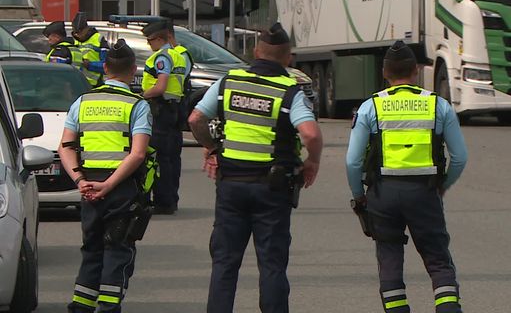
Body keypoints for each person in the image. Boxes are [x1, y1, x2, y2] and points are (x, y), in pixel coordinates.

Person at [188, 22, 323, 313]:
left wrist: (212, 148)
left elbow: (195, 119)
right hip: (271, 188)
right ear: (288, 58)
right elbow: (310, 133)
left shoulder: (229, 81)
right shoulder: (290, 91)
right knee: (272, 263)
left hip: (230, 185)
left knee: (225, 262)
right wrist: (312, 161)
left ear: (255, 52)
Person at [345, 41, 468, 313]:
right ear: (415, 71)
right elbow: (459, 157)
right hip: (425, 192)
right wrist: (442, 186)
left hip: (382, 194)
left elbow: (353, 161)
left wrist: (359, 196)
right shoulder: (439, 105)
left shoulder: (370, 107)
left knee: (389, 259)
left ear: (384, 73)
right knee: (438, 261)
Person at [58, 40, 153, 313]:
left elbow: (65, 147)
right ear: (133, 69)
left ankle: (81, 307)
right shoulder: (137, 105)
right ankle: (109, 308)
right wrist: (109, 185)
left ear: (106, 68)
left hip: (88, 187)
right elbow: (137, 155)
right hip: (120, 188)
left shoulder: (82, 102)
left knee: (92, 249)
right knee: (118, 250)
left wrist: (79, 180)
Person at [141, 20, 187, 215]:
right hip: (173, 108)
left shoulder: (162, 58)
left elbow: (160, 86)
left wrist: (141, 96)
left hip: (160, 108)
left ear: (160, 39)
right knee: (170, 157)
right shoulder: (178, 56)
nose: (149, 44)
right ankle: (169, 199)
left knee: (159, 157)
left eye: (151, 40)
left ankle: (163, 201)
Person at [72, 12, 109, 87]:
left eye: (79, 32)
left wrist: (90, 65)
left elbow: (107, 65)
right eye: (75, 32)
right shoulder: (74, 41)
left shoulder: (98, 39)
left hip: (95, 85)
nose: (77, 35)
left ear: (86, 28)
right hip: (77, 84)